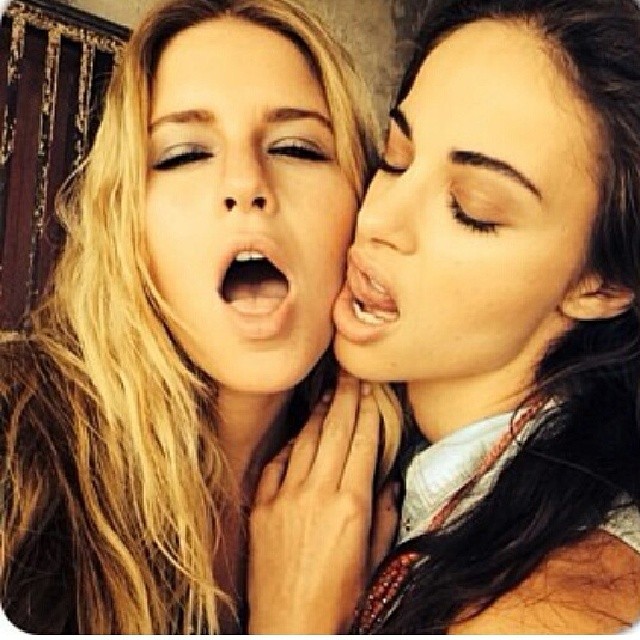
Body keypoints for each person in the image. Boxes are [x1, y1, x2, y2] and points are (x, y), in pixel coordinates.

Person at [0, 0, 402, 633]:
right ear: (125, 221)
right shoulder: (15, 449)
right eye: (184, 154)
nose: (246, 183)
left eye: (296, 147)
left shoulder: (403, 492)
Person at [248, 0, 640, 633]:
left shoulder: (566, 602)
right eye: (394, 159)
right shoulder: (394, 452)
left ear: (603, 284)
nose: (379, 219)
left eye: (470, 208)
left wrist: (293, 621)